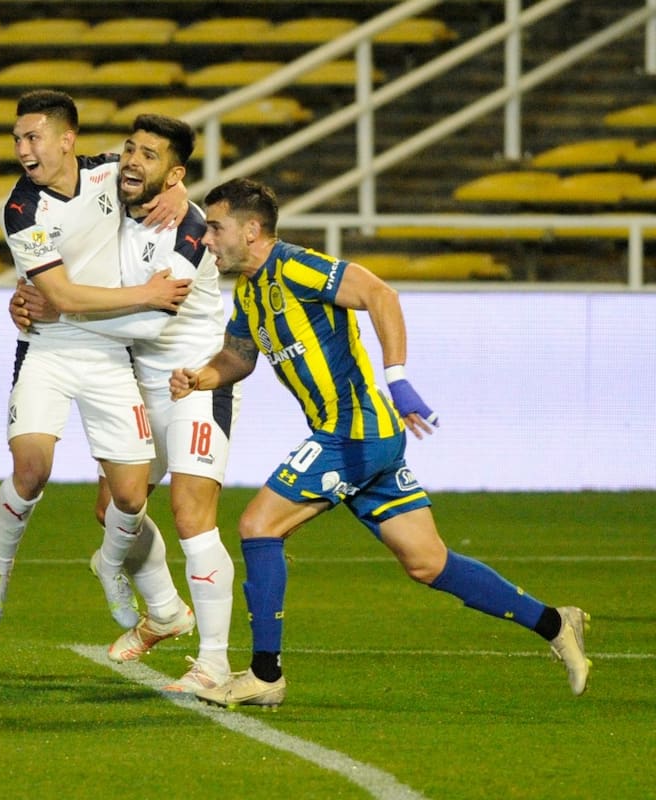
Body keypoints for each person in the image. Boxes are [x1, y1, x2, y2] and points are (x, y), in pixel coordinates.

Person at [170, 177, 591, 708]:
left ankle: (264, 675)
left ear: (252, 230)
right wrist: (200, 377)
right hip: (361, 437)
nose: (207, 239)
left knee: (258, 526)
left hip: (356, 430)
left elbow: (378, 293)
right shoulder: (250, 292)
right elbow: (239, 358)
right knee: (428, 562)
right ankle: (556, 623)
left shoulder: (294, 266)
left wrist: (398, 377)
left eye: (216, 227)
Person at [10, 114, 238, 693]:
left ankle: (213, 664)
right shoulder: (109, 204)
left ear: (176, 172)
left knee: (191, 516)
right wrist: (33, 300)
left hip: (191, 382)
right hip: (132, 379)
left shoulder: (188, 226)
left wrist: (60, 313)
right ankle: (164, 611)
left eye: (150, 156)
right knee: (115, 509)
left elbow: (153, 317)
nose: (133, 162)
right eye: (130, 150)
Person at [0, 90, 193, 630]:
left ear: (67, 138)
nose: (23, 149)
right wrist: (145, 294)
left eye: (33, 137)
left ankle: (113, 567)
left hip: (109, 353)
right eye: (18, 139)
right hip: (47, 346)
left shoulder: (109, 174)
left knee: (130, 494)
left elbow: (156, 170)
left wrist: (180, 191)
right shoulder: (21, 208)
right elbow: (64, 298)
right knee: (32, 469)